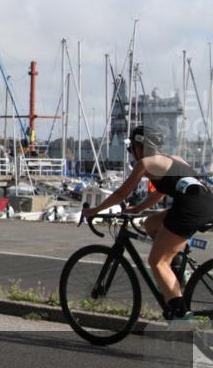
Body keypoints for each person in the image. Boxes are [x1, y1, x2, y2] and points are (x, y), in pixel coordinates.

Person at [83, 125, 213, 321]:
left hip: (188, 208)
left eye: (131, 148)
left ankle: (181, 316)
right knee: (151, 224)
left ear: (139, 146)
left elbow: (120, 193)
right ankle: (177, 273)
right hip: (205, 203)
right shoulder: (175, 159)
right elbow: (159, 192)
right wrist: (137, 209)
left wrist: (93, 211)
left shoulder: (144, 163)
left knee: (157, 261)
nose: (131, 153)